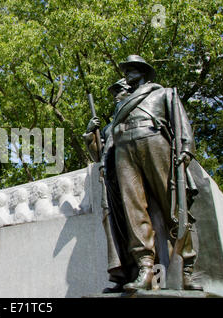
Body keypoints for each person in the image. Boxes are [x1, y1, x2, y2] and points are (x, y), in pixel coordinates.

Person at [109, 55, 201, 291]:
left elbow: (181, 122)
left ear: (142, 71)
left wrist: (187, 149)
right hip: (123, 149)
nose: (127, 74)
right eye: (126, 71)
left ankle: (188, 269)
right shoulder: (121, 103)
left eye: (132, 70)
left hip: (154, 141)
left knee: (172, 205)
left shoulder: (164, 93)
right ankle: (145, 268)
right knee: (134, 209)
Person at [83, 79, 138, 293]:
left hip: (130, 176)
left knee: (134, 222)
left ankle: (145, 271)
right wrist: (91, 134)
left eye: (120, 90)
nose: (116, 95)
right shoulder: (108, 127)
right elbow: (98, 155)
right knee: (113, 226)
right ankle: (121, 274)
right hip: (110, 178)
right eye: (114, 92)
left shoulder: (136, 116)